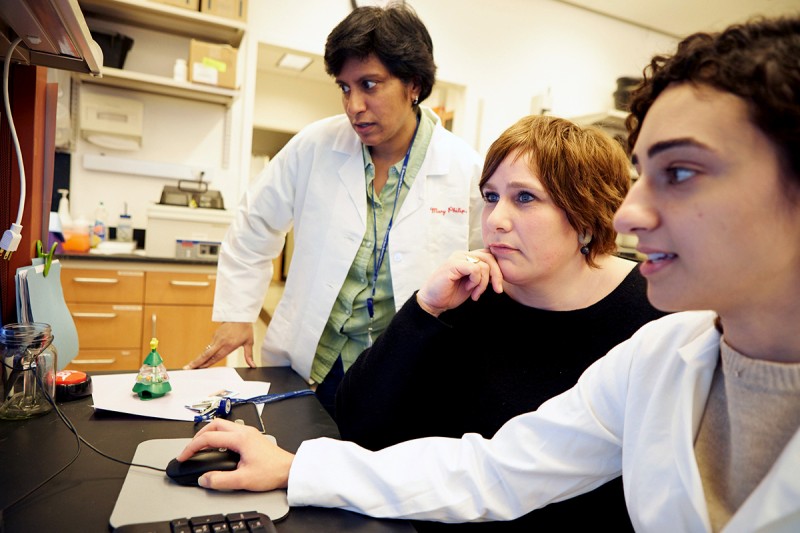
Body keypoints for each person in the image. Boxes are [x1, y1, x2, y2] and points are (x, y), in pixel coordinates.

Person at [177, 15, 800, 532]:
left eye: (681, 172)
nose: (632, 211)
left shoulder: (648, 325)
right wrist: (297, 466)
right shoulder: (663, 355)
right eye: (491, 198)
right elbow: (496, 470)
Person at [335, 114, 667, 531]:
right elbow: (356, 422)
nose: (495, 220)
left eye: (524, 198)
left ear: (586, 214)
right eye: (490, 197)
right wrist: (424, 310)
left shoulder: (654, 312)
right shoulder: (472, 294)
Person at [185, 4, 484, 417]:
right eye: (344, 87)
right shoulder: (314, 145)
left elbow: (487, 270)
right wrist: (239, 314)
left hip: (407, 376)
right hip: (312, 367)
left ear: (413, 83)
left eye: (369, 84)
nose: (354, 105)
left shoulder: (466, 169)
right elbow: (255, 223)